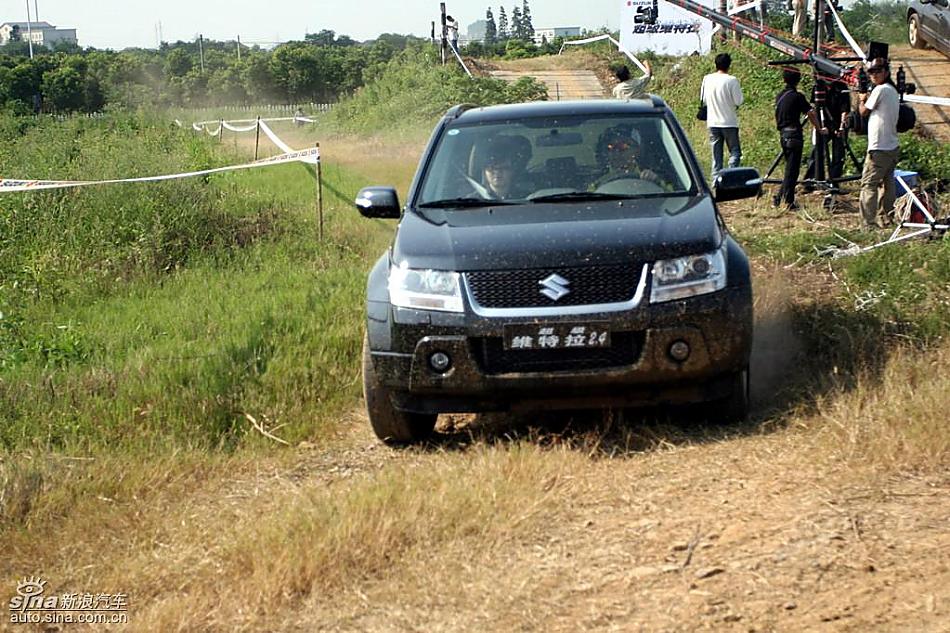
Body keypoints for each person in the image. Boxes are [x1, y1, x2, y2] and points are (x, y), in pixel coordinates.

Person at [773, 68, 826, 210]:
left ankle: (779, 197)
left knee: (789, 169)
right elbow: (811, 112)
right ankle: (788, 201)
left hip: (783, 135)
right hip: (794, 135)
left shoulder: (780, 96)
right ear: (798, 80)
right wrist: (819, 128)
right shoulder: (798, 97)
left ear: (784, 79)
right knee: (792, 171)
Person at [858, 57, 900, 228]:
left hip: (879, 147)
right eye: (870, 72)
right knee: (888, 184)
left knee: (869, 184)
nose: (873, 75)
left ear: (886, 72)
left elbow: (863, 112)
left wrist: (861, 97)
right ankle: (887, 218)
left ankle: (868, 223)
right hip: (891, 145)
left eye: (877, 71)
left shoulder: (880, 90)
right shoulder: (892, 90)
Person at [700, 53, 744, 180]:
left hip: (713, 122)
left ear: (716, 64)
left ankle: (715, 181)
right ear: (729, 65)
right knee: (735, 152)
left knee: (716, 155)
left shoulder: (707, 79)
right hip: (729, 122)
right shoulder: (732, 80)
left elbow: (703, 99)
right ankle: (730, 176)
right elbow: (738, 101)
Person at [591, 126, 666, 190]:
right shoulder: (596, 181)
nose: (616, 153)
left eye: (623, 147)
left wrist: (657, 183)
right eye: (611, 147)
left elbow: (672, 200)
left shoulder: (651, 177)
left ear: (637, 150)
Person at [478, 135, 532, 199]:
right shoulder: (471, 202)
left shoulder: (527, 199)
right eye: (491, 168)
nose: (497, 172)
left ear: (513, 170)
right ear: (484, 171)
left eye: (503, 167)